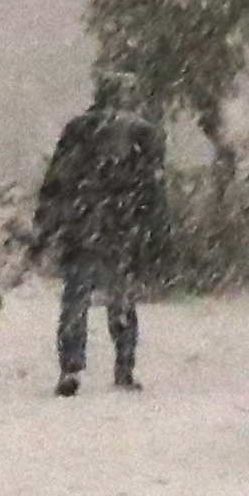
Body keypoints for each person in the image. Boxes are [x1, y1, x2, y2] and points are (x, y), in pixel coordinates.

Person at [30, 74, 172, 395]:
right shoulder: (144, 134)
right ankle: (123, 368)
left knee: (75, 299)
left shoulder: (78, 130)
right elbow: (154, 189)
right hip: (122, 229)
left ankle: (70, 367)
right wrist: (158, 233)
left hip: (81, 228)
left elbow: (57, 181)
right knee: (121, 299)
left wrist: (45, 227)